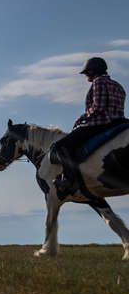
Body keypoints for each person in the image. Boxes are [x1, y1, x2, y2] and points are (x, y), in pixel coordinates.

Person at [53, 57, 127, 196]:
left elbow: (98, 107)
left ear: (93, 71)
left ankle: (69, 180)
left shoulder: (98, 82)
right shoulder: (118, 85)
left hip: (101, 123)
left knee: (61, 146)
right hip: (119, 122)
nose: (86, 75)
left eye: (87, 72)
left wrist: (83, 117)